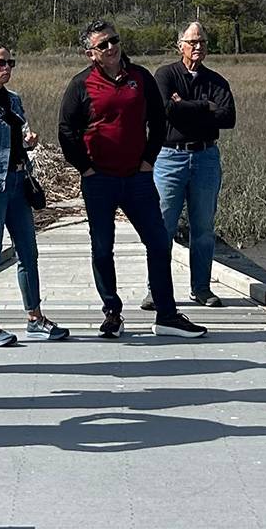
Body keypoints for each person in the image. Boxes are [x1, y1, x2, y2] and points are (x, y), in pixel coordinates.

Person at [57, 21, 202, 340]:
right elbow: (67, 130)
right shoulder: (81, 84)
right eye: (103, 45)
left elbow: (159, 119)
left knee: (158, 243)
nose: (111, 47)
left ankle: (166, 314)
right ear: (91, 53)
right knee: (101, 248)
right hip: (99, 180)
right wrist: (85, 167)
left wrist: (148, 160)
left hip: (137, 177)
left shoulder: (140, 77)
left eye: (114, 40)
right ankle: (112, 312)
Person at [0, 43, 63, 344]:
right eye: (0, 63)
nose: (6, 68)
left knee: (28, 252)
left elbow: (15, 142)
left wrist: (29, 142)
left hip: (19, 182)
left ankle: (35, 316)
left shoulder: (14, 101)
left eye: (10, 63)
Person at [153, 21, 236, 309]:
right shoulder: (165, 75)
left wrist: (185, 105)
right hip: (170, 158)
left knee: (203, 228)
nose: (197, 46)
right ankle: (157, 290)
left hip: (205, 158)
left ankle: (201, 288)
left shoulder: (216, 81)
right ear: (180, 46)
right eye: (192, 42)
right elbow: (167, 110)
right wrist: (205, 107)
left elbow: (228, 118)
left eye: (202, 42)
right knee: (162, 226)